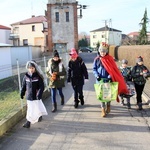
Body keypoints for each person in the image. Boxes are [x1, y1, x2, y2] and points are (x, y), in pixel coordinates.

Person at [93, 42, 128, 117]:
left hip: (108, 80)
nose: (102, 53)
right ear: (99, 51)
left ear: (106, 52)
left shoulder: (110, 59)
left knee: (107, 95)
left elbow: (113, 69)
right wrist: (96, 75)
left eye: (104, 51)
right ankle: (103, 109)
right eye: (101, 51)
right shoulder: (97, 60)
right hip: (100, 80)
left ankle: (108, 105)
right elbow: (94, 69)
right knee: (101, 95)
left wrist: (110, 75)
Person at [20, 60, 48, 128]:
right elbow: (24, 85)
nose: (31, 69)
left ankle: (29, 122)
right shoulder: (26, 76)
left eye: (32, 68)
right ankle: (29, 122)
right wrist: (22, 92)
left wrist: (39, 94)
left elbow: (41, 86)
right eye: (30, 68)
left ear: (35, 68)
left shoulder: (38, 77)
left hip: (36, 96)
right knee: (30, 109)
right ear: (28, 68)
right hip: (29, 96)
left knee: (34, 108)